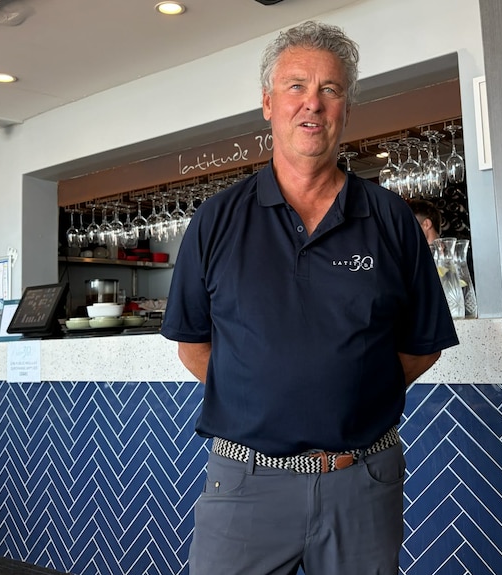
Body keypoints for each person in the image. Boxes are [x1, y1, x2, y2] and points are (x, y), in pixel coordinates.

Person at [161, 20, 458, 575]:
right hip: (245, 483)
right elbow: (193, 344)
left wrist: (352, 390)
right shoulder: (217, 219)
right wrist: (269, 393)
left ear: (346, 108)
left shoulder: (391, 218)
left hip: (362, 482)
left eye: (331, 89)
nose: (312, 104)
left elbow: (422, 345)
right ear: (268, 104)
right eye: (296, 86)